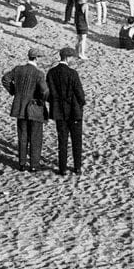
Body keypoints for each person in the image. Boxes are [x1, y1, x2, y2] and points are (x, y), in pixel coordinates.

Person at [1, 49, 49, 173]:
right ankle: (34, 165)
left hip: (20, 107)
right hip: (34, 108)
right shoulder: (39, 73)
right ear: (37, 58)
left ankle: (21, 163)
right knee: (35, 137)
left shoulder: (18, 69)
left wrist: (13, 91)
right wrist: (42, 99)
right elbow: (44, 91)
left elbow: (5, 79)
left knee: (22, 136)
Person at [46, 47, 85, 176]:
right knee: (76, 141)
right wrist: (81, 104)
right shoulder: (73, 73)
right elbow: (79, 93)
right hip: (73, 111)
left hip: (59, 111)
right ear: (68, 58)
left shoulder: (51, 73)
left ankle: (62, 168)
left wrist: (54, 103)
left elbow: (48, 93)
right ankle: (77, 167)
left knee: (62, 140)